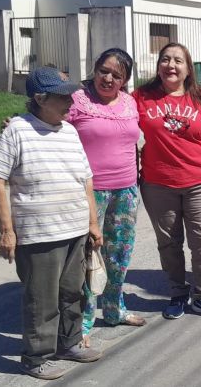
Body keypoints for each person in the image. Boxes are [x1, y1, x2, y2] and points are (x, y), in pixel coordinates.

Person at [0, 67, 103, 380]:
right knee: (42, 299)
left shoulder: (70, 132)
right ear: (39, 98)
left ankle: (70, 342)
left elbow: (86, 180)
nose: (70, 102)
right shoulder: (18, 130)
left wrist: (93, 223)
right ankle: (36, 357)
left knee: (72, 293)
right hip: (39, 234)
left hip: (75, 229)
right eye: (63, 97)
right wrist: (7, 231)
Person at [134, 42, 201, 321]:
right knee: (169, 244)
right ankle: (178, 293)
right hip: (157, 184)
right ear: (158, 65)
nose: (171, 65)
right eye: (165, 59)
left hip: (199, 182)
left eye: (178, 60)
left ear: (188, 69)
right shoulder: (141, 96)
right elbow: (111, 112)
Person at [71, 49, 145, 346]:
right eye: (104, 70)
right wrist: (19, 124)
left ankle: (114, 309)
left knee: (119, 254)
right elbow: (47, 120)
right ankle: (83, 321)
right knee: (87, 255)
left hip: (127, 190)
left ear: (125, 79)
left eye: (117, 74)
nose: (108, 78)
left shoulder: (130, 101)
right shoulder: (77, 99)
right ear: (94, 69)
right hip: (90, 192)